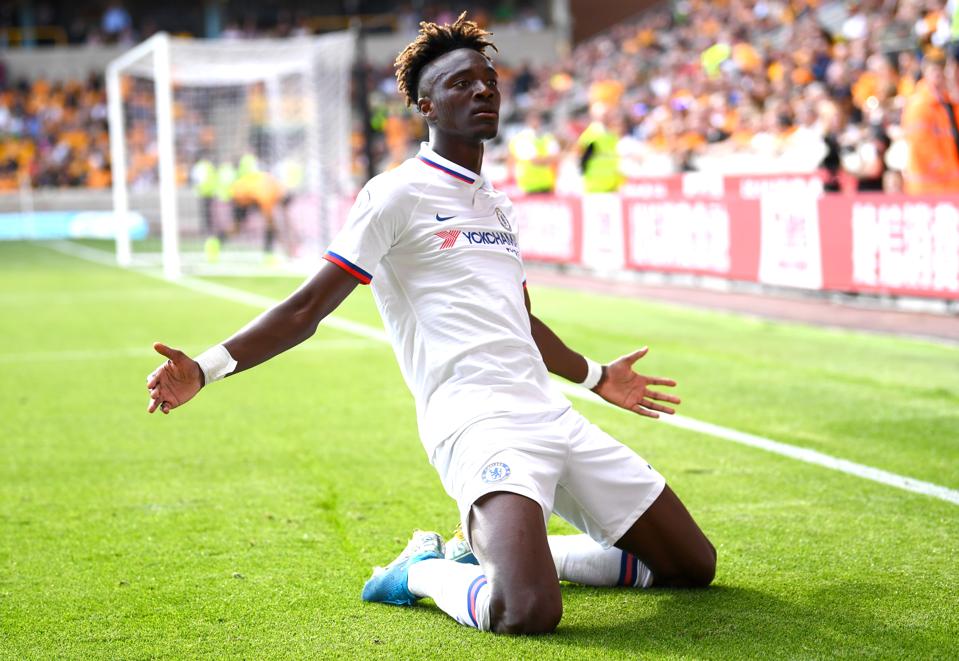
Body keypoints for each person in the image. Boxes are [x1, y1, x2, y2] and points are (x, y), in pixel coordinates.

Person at [145, 14, 715, 636]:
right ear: (425, 106)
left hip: (550, 415)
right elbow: (305, 309)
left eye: (489, 81)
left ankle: (519, 556)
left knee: (692, 565)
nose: (483, 90)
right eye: (461, 83)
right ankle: (421, 570)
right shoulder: (395, 194)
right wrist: (205, 369)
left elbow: (522, 320)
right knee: (525, 611)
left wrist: (598, 376)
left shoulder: (495, 203)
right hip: (477, 423)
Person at [901, 50, 959, 194]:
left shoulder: (947, 103)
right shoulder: (920, 104)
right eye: (935, 71)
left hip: (948, 185)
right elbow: (922, 145)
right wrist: (947, 167)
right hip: (929, 188)